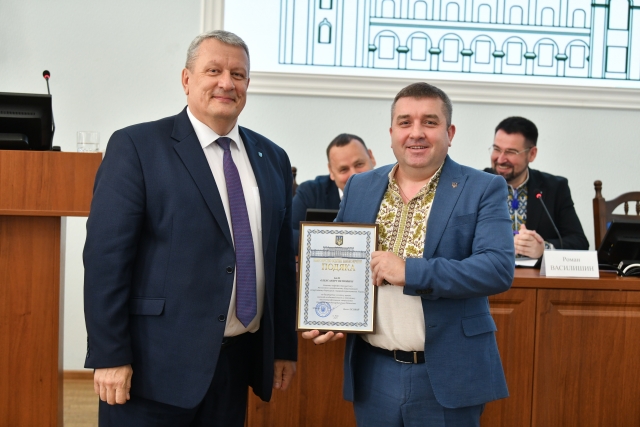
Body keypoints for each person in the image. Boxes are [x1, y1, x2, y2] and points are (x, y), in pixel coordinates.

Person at [83, 30, 297, 427]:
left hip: (234, 366)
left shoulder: (273, 158)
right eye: (213, 71)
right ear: (186, 79)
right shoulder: (137, 146)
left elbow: (281, 262)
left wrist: (283, 346)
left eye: (238, 74)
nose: (226, 83)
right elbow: (105, 261)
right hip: (152, 368)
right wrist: (110, 354)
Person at [303, 82, 515, 427]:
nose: (416, 133)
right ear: (391, 133)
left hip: (446, 373)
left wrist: (411, 272)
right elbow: (338, 262)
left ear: (449, 133)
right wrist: (329, 316)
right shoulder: (360, 186)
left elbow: (497, 268)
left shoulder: (482, 187)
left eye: (429, 122)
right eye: (405, 122)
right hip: (373, 372)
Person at [485, 116, 589, 258]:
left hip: (534, 272)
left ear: (532, 154)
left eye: (511, 152)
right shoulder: (475, 184)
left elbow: (580, 242)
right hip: (488, 270)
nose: (501, 159)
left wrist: (544, 248)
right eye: (497, 149)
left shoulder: (555, 188)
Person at [291, 133, 376, 248]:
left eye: (359, 164)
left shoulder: (393, 189)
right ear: (331, 171)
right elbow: (288, 234)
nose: (354, 175)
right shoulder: (311, 193)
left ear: (371, 157)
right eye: (344, 169)